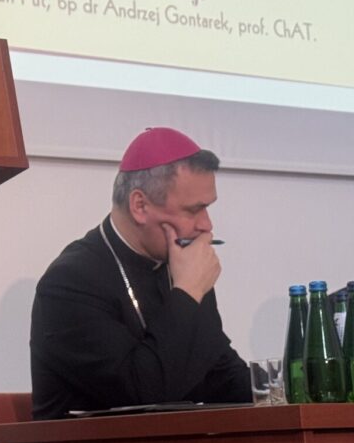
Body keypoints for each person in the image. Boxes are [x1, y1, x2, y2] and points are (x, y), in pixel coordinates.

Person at [30, 127, 251, 419]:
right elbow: (143, 393)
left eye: (207, 208)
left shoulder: (178, 267)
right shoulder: (70, 282)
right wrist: (187, 293)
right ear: (140, 205)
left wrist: (281, 391)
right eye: (193, 210)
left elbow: (220, 374)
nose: (206, 225)